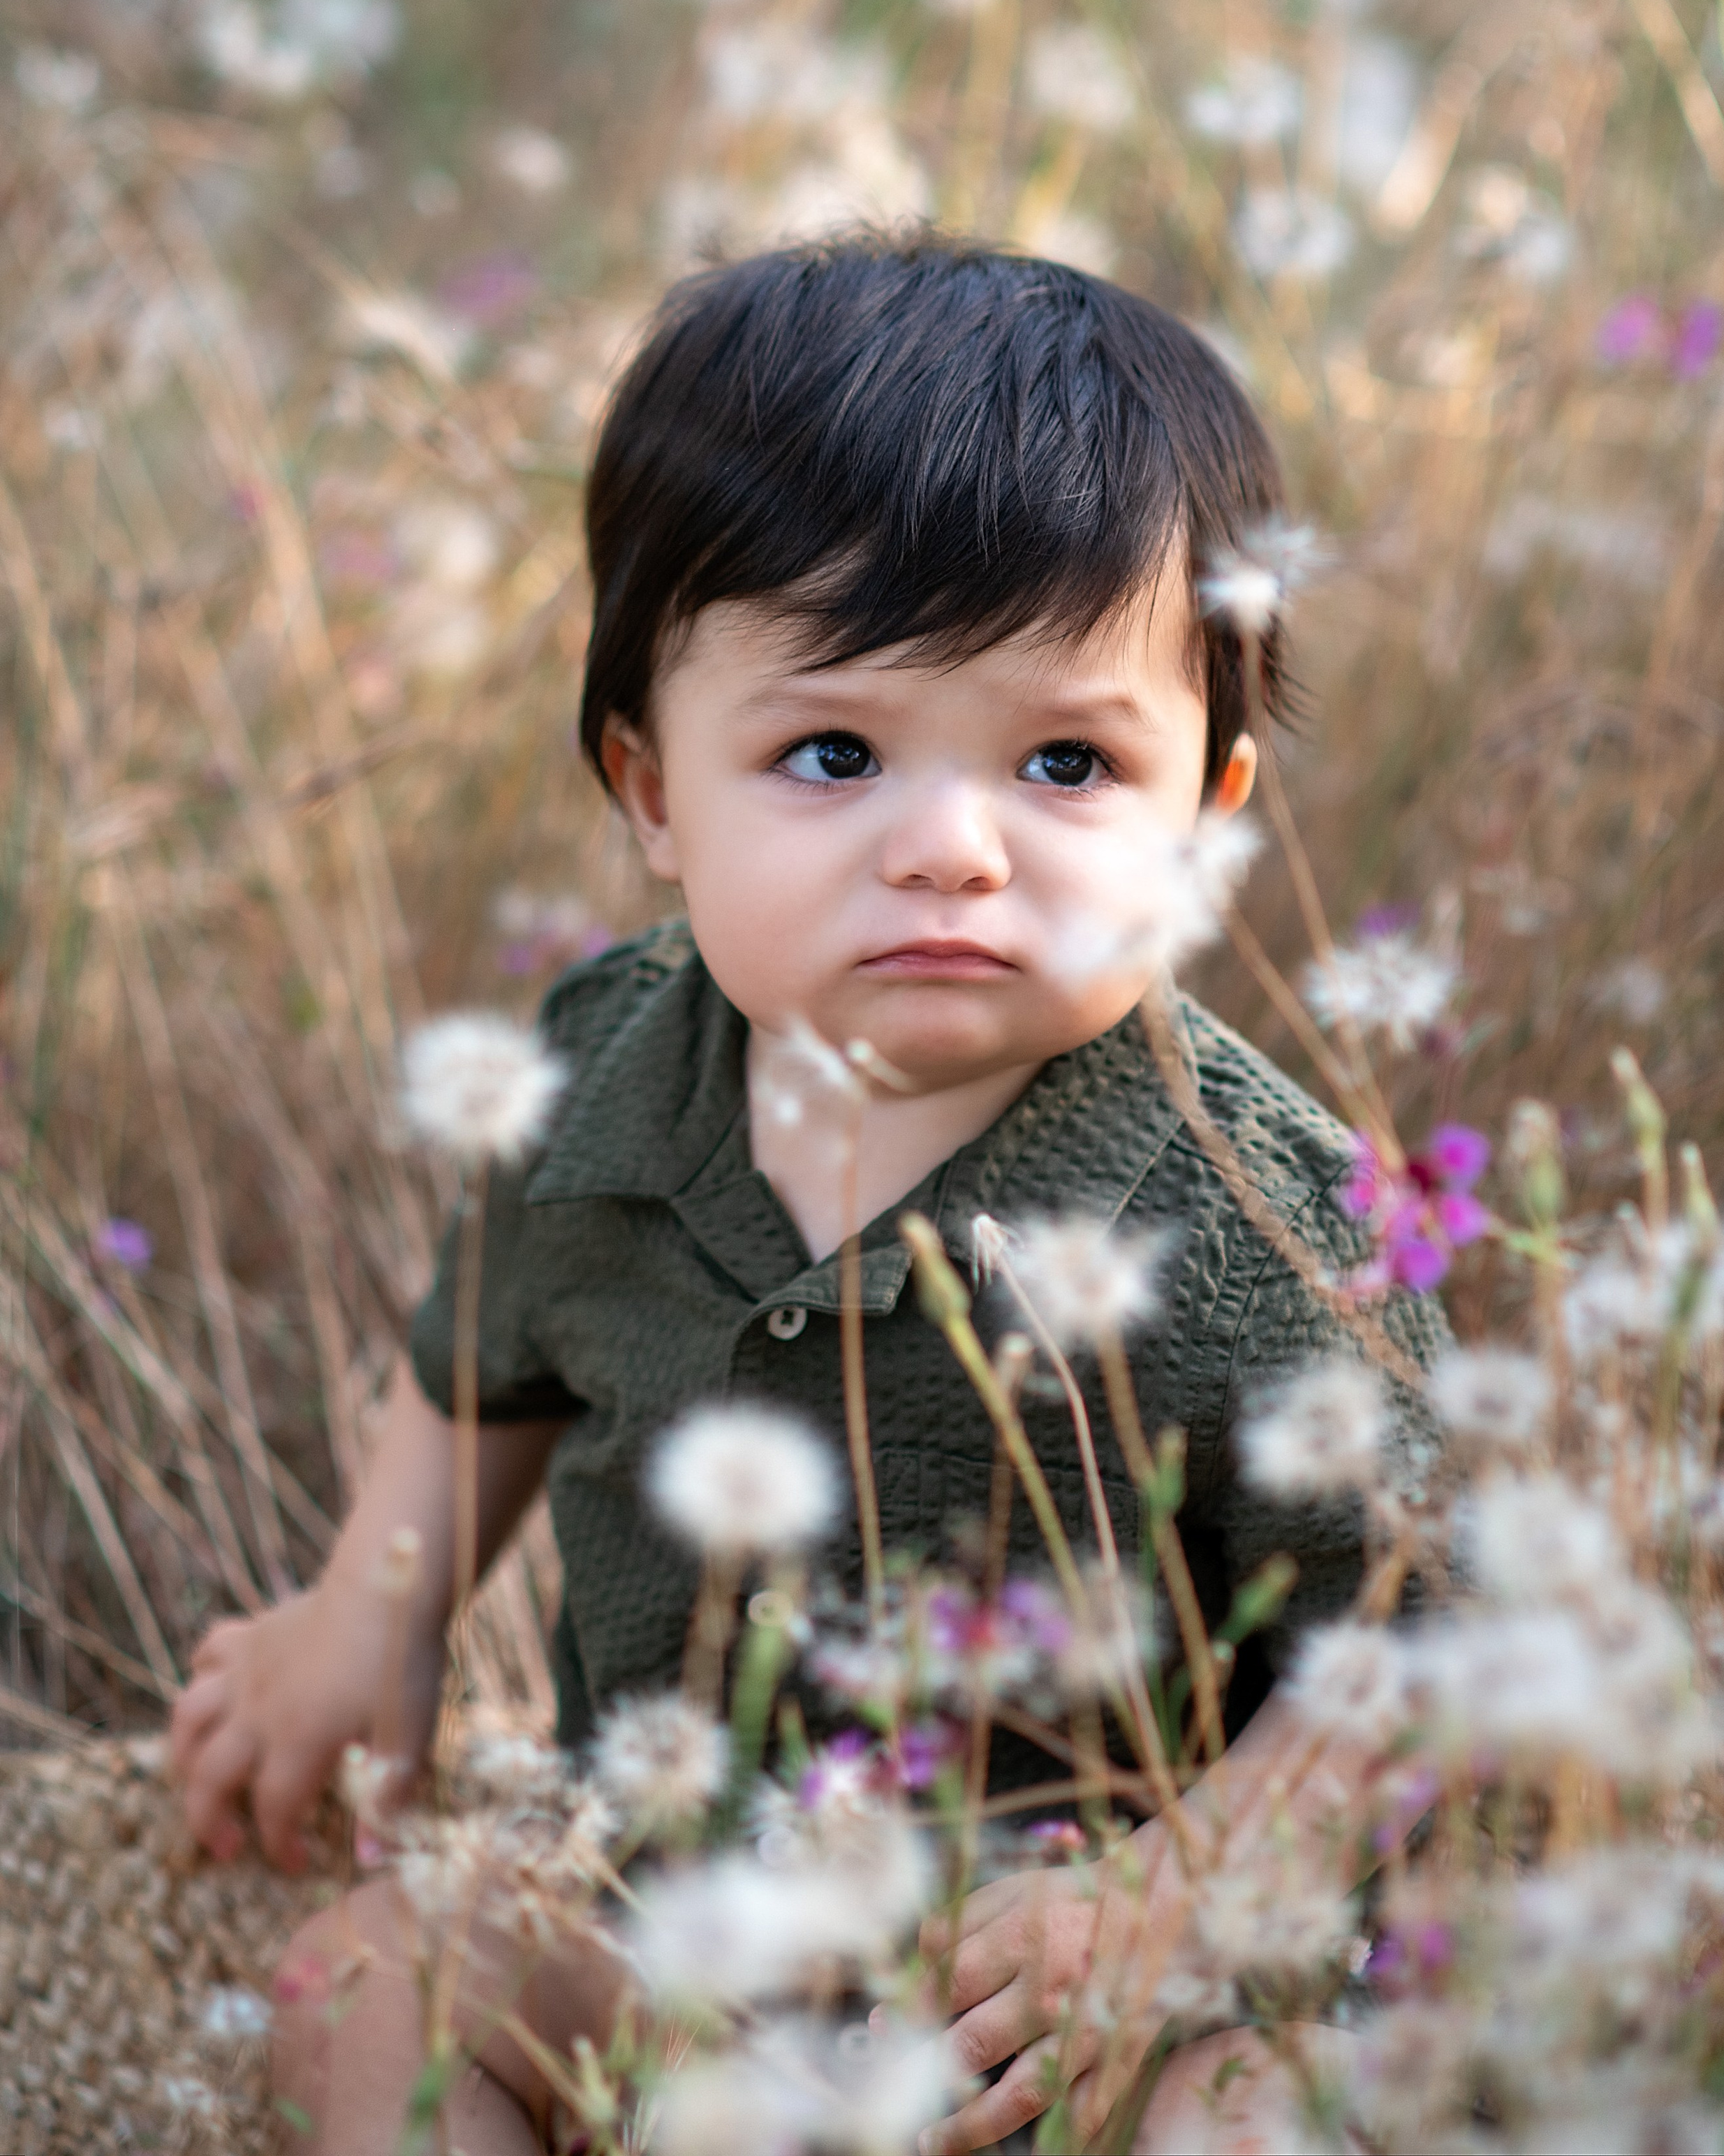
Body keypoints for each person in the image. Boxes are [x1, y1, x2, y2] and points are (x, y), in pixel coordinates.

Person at [168, 232, 1440, 2155]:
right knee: (371, 1983)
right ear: (651, 792)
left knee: (1258, 2111)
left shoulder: (1263, 1227)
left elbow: (1416, 1619)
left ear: (1211, 813)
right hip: (678, 1957)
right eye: (833, 751)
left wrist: (1181, 1893)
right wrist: (376, 1615)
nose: (952, 847)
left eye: (1068, 761)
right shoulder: (604, 1069)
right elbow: (490, 1344)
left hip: (1068, 2026)